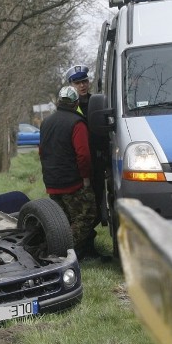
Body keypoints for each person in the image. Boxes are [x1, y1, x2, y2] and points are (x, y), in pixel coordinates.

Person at [39, 85, 99, 260]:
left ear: (59, 102)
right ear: (75, 103)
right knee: (87, 215)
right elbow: (84, 155)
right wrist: (86, 177)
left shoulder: (46, 123)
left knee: (63, 220)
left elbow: (42, 152)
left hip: (52, 181)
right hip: (73, 182)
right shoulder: (77, 123)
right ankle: (58, 251)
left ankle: (81, 253)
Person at [65, 64, 107, 233]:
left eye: (84, 81)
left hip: (97, 157)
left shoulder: (97, 101)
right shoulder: (70, 106)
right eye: (77, 83)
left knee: (98, 199)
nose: (82, 85)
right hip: (78, 160)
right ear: (71, 85)